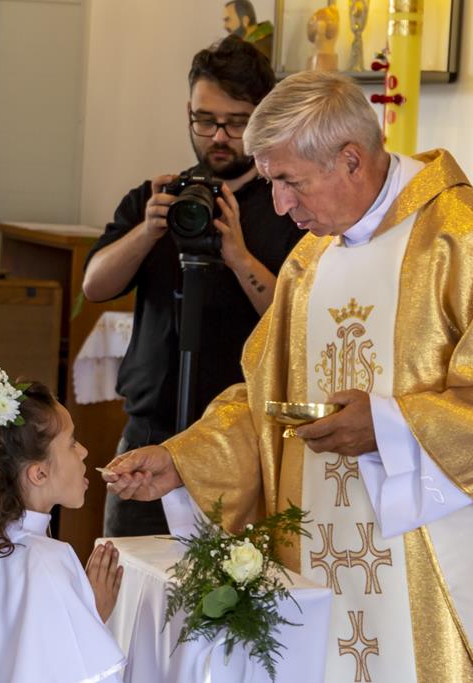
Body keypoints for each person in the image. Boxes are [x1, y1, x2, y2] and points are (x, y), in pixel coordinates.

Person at [103, 71, 473, 681]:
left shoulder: (463, 237)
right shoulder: (310, 261)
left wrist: (388, 426)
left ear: (351, 159)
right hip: (319, 555)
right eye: (272, 183)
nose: (279, 206)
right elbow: (267, 400)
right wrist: (187, 459)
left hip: (435, 567)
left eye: (290, 182)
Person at [83, 35, 301, 537]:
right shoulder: (156, 198)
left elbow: (295, 322)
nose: (218, 137)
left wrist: (238, 256)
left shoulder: (288, 206)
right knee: (130, 578)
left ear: (263, 118)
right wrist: (148, 230)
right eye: (205, 120)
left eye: (236, 122)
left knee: (232, 586)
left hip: (238, 446)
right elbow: (95, 285)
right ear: (188, 112)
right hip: (149, 435)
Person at [0, 367, 126, 682]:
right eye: (72, 442)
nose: (83, 451)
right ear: (39, 473)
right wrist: (92, 614)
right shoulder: (45, 559)